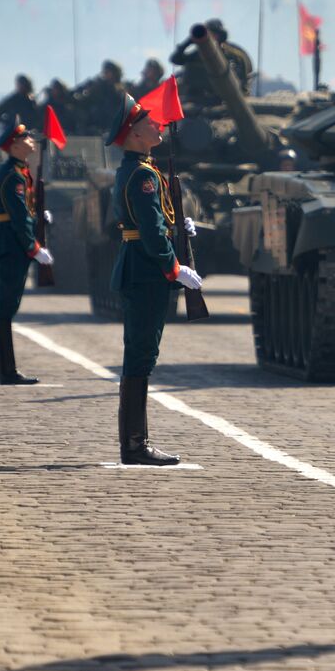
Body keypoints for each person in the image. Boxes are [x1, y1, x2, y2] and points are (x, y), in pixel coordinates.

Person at [105, 94, 203, 465]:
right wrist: (174, 268)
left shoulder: (137, 169)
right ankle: (134, 445)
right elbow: (149, 231)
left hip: (139, 269)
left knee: (140, 355)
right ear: (133, 134)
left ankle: (135, 443)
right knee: (141, 357)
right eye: (149, 122)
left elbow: (154, 222)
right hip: (146, 272)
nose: (158, 125)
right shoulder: (144, 175)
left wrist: (178, 226)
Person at [0, 122, 54, 385]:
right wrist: (34, 247)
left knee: (7, 308)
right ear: (14, 145)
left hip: (12, 244)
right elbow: (17, 217)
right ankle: (6, 371)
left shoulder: (18, 172)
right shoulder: (13, 175)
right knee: (5, 309)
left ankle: (7, 369)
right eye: (26, 137)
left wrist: (38, 215)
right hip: (11, 245)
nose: (31, 141)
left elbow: (23, 211)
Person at [169, 19, 254, 110]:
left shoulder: (233, 56)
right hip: (198, 99)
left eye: (213, 34)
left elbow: (242, 82)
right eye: (208, 34)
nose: (211, 37)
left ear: (221, 36)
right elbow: (175, 59)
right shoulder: (198, 55)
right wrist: (189, 41)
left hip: (226, 101)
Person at [74, 61, 128, 133]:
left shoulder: (121, 88)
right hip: (98, 125)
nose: (105, 74)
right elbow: (85, 99)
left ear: (115, 73)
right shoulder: (99, 86)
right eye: (104, 71)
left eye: (108, 72)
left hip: (114, 126)